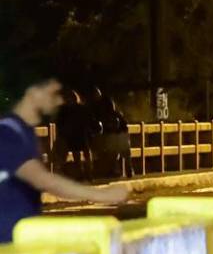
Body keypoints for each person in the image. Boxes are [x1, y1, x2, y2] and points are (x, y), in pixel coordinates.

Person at [0, 71, 130, 242]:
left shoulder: (24, 131)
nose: (60, 100)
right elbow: (42, 180)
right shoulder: (10, 132)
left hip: (21, 235)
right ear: (31, 93)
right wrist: (101, 195)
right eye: (52, 93)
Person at [52, 86, 96, 177]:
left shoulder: (77, 109)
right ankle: (82, 173)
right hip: (75, 135)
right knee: (79, 154)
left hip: (80, 134)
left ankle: (87, 172)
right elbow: (60, 123)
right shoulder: (66, 110)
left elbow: (89, 120)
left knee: (83, 154)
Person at [89, 87, 130, 179]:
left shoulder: (115, 114)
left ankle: (126, 171)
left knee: (121, 153)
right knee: (108, 154)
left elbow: (123, 126)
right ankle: (110, 171)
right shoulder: (95, 108)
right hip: (107, 136)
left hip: (116, 136)